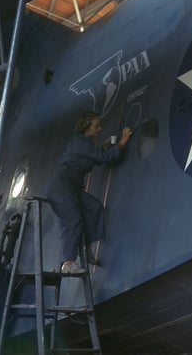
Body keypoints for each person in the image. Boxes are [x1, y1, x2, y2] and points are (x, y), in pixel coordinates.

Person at [47, 111, 132, 274]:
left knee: (95, 208)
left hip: (72, 188)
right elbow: (105, 158)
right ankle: (68, 263)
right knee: (72, 221)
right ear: (86, 127)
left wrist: (104, 148)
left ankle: (84, 249)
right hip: (62, 189)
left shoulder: (85, 144)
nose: (99, 129)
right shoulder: (80, 142)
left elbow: (92, 158)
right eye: (96, 126)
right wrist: (123, 141)